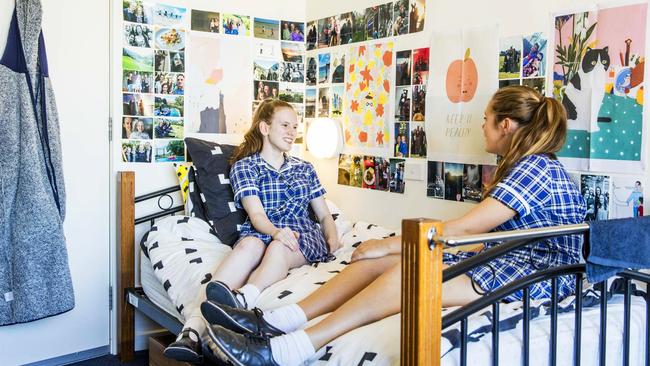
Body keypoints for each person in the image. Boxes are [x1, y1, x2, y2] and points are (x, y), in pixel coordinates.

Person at [202, 85, 587, 366]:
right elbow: (480, 235)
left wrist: (389, 245)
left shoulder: (536, 167)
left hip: (540, 275)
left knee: (411, 268)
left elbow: (467, 229)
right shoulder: (527, 166)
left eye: (485, 120)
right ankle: (277, 320)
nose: (481, 128)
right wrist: (386, 246)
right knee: (379, 259)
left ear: (505, 125)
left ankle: (292, 348)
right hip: (505, 258)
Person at [164, 99, 340, 363]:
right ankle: (191, 332)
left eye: (295, 126)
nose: (292, 132)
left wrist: (333, 238)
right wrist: (275, 231)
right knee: (248, 246)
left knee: (281, 246)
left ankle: (244, 300)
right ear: (265, 128)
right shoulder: (245, 167)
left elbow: (325, 214)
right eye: (285, 125)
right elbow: (256, 215)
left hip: (302, 234)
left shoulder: (305, 169)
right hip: (263, 229)